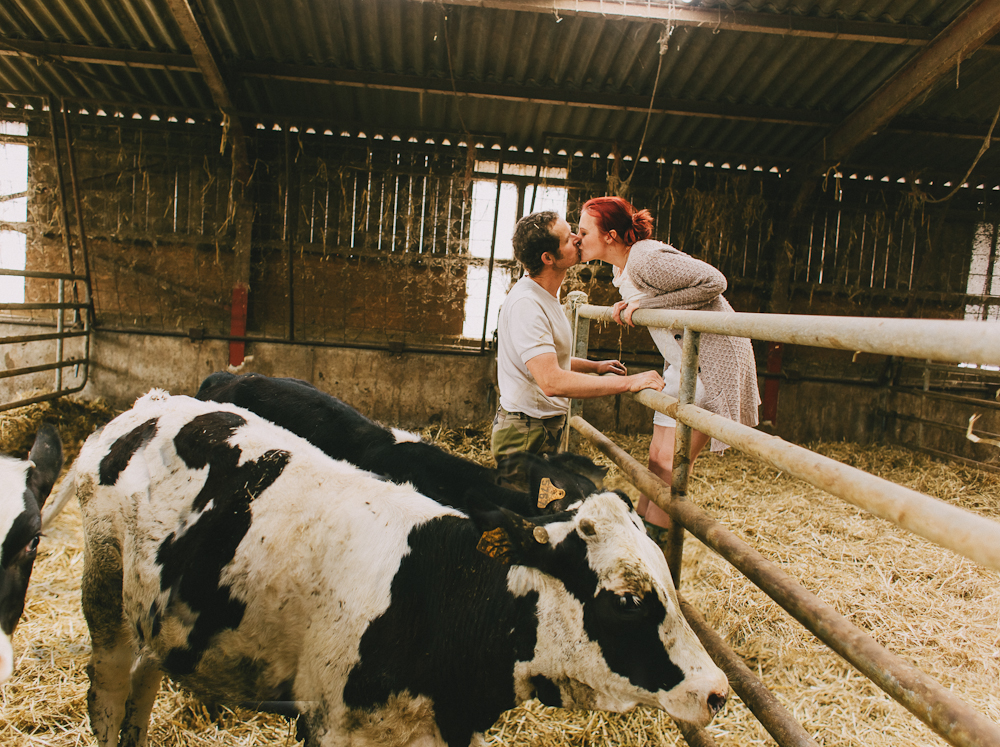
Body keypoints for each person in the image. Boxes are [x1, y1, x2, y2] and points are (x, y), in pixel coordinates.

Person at [577, 196, 760, 537]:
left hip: (711, 362)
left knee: (673, 465)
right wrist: (635, 303)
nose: (577, 239)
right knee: (657, 459)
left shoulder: (645, 258)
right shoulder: (624, 266)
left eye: (584, 232)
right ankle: (640, 541)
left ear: (610, 236)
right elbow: (658, 297)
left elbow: (714, 282)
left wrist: (647, 304)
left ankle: (655, 551)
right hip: (683, 362)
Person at [492, 210, 665, 460]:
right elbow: (551, 381)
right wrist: (629, 383)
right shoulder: (527, 305)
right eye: (567, 238)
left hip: (538, 426)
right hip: (526, 433)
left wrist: (595, 367)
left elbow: (546, 359)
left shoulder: (543, 293)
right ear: (548, 257)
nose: (577, 238)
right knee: (526, 500)